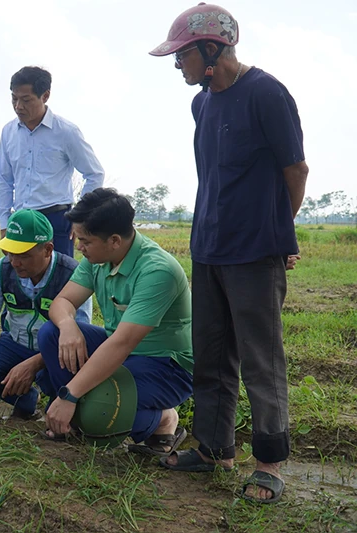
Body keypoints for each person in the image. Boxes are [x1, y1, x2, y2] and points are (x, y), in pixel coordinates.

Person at [149, 4, 308, 504]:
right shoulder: (202, 104)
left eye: (182, 55)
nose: (177, 64)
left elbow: (296, 170)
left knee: (261, 360)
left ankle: (269, 462)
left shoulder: (266, 93)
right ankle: (215, 448)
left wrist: (279, 233)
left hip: (255, 251)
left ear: (211, 50)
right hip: (209, 248)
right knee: (212, 355)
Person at [37, 189, 194, 459]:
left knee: (99, 407)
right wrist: (68, 326)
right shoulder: (96, 259)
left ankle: (164, 421)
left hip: (164, 364)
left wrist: (69, 395)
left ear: (114, 241)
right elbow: (61, 303)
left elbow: (122, 343)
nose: (79, 247)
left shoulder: (157, 271)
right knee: (52, 333)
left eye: (85, 241)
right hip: (121, 353)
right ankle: (78, 414)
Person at [0, 209, 91, 419]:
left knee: (71, 365)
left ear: (48, 250)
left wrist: (33, 364)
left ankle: (57, 403)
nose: (14, 261)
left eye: (23, 255)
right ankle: (26, 400)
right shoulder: (2, 270)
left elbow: (80, 334)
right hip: (14, 344)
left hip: (56, 353)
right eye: (10, 253)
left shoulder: (72, 274)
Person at [0, 66, 105, 257]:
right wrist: (5, 223)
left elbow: (94, 173)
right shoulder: (8, 132)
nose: (18, 106)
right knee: (20, 278)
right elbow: (4, 179)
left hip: (57, 219)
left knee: (60, 279)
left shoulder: (65, 132)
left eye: (26, 100)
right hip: (20, 221)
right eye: (14, 98)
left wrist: (80, 216)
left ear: (45, 96)